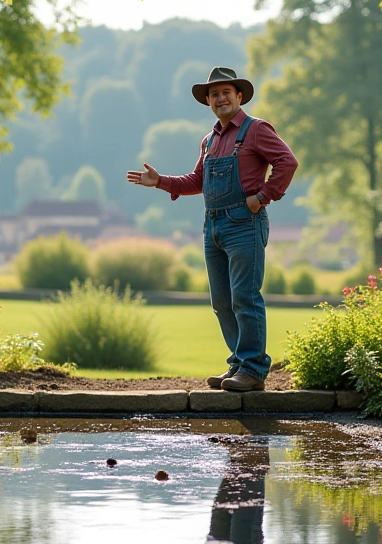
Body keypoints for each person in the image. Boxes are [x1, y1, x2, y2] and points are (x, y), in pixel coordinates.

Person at [126, 67, 298, 392]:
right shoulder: (210, 140)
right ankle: (237, 363)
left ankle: (253, 370)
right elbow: (197, 181)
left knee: (244, 297)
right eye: (214, 94)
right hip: (213, 224)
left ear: (239, 96)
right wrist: (160, 181)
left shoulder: (256, 129)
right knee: (221, 301)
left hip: (244, 224)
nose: (221, 99)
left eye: (226, 93)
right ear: (208, 101)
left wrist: (262, 197)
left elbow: (287, 162)